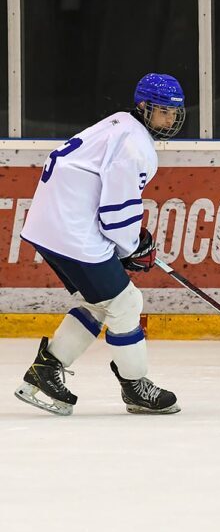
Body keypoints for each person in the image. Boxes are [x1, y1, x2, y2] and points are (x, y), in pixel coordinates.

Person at [15, 73, 187, 416]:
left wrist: (130, 245)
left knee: (99, 303)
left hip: (52, 227)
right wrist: (132, 246)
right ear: (143, 106)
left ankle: (44, 372)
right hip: (72, 232)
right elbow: (116, 211)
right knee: (125, 302)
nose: (169, 119)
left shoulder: (118, 124)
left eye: (174, 112)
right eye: (163, 111)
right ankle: (136, 386)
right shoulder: (134, 144)